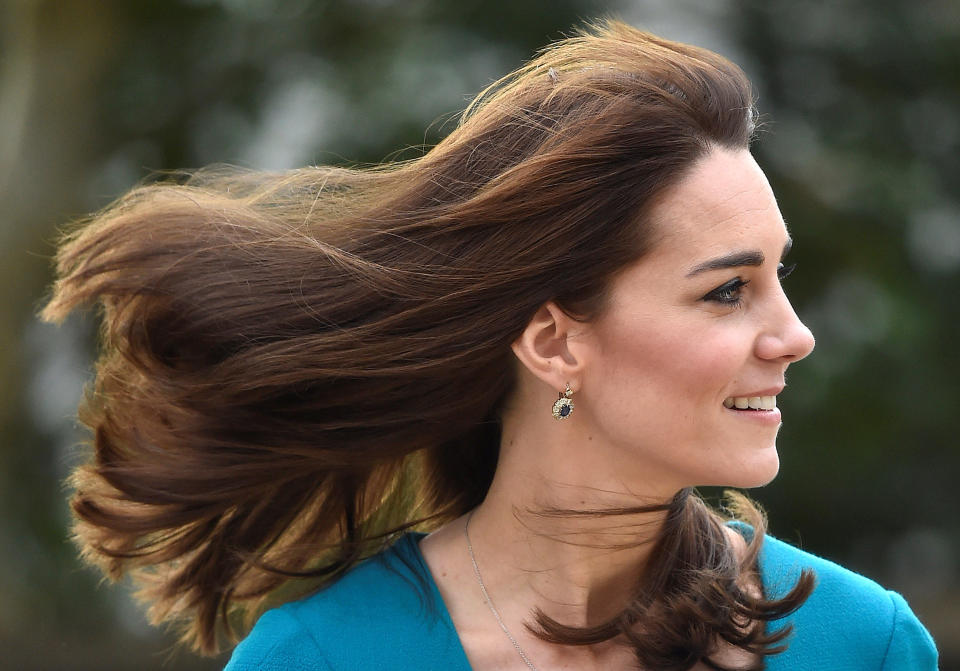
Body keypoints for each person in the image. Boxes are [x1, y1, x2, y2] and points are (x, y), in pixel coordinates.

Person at [42, 20, 937, 671]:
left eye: (783, 278)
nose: (795, 334)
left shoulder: (865, 645)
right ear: (554, 342)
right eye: (728, 290)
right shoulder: (323, 657)